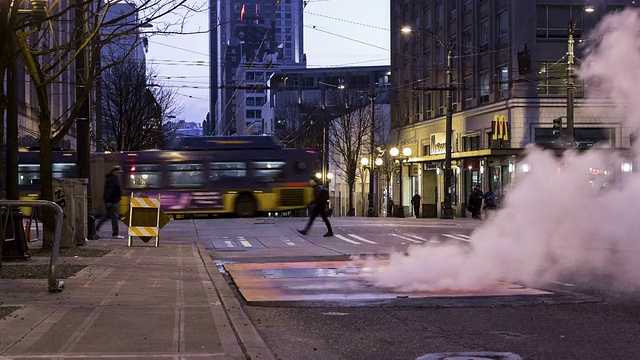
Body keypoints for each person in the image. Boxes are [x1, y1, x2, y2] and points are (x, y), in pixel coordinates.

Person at [96, 165, 124, 239]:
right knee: (114, 217)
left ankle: (95, 229)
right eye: (118, 172)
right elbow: (110, 190)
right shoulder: (113, 179)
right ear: (114, 171)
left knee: (106, 216)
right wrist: (109, 200)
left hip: (111, 200)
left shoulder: (110, 178)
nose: (119, 174)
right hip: (112, 201)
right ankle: (115, 233)